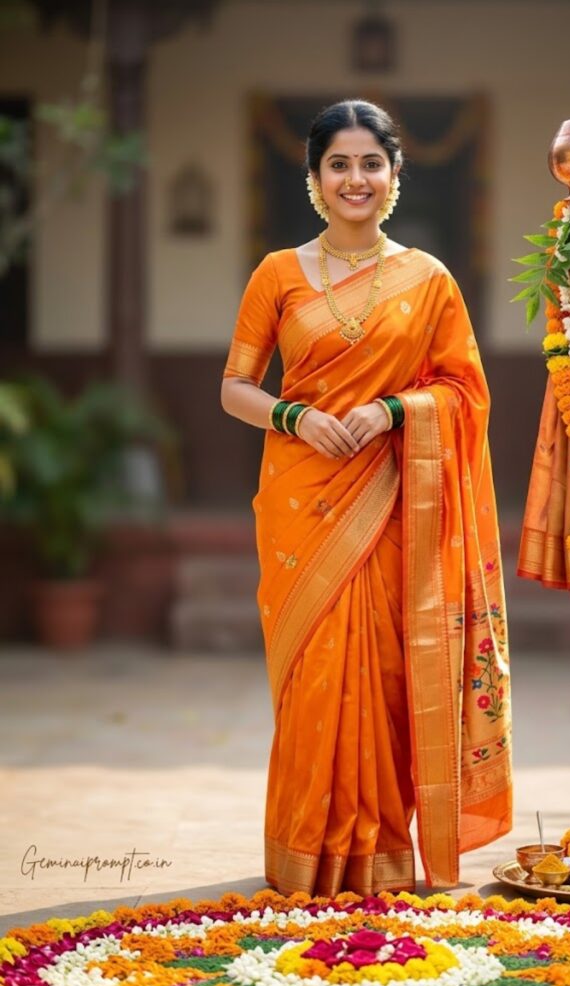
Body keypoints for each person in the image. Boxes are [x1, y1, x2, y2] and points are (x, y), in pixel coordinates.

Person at [221, 98, 511, 897]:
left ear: (394, 173)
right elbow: (235, 387)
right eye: (339, 164)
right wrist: (296, 416)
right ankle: (305, 851)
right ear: (314, 177)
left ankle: (378, 855)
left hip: (389, 501)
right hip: (301, 500)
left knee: (382, 676)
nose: (356, 178)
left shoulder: (429, 279)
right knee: (315, 676)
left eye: (370, 163)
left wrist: (391, 410)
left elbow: (465, 392)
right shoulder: (278, 273)